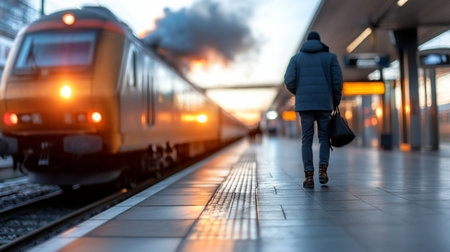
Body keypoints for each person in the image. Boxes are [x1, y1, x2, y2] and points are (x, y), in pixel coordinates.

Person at [283, 31, 343, 188]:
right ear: (320, 41)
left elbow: (289, 80)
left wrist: (301, 93)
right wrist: (335, 100)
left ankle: (309, 177)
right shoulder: (330, 58)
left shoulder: (296, 59)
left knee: (307, 139)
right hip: (324, 104)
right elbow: (337, 82)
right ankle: (323, 172)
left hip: (305, 105)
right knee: (324, 138)